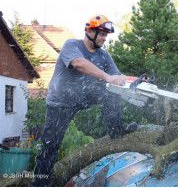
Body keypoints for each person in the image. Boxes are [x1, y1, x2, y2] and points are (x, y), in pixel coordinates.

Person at [32, 14, 138, 186]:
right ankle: (40, 183)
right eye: (102, 34)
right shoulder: (72, 45)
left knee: (112, 93)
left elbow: (116, 76)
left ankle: (116, 129)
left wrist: (128, 79)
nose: (104, 38)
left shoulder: (104, 56)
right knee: (49, 146)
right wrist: (107, 77)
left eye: (106, 35)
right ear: (90, 31)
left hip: (84, 96)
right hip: (61, 102)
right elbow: (79, 63)